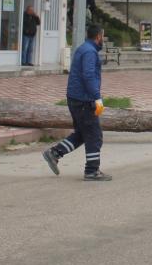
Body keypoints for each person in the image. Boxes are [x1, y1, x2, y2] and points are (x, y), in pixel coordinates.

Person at [42, 23, 111, 181]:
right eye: (103, 36)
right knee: (94, 135)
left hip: (75, 98)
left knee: (82, 133)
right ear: (99, 36)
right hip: (84, 101)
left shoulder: (83, 49)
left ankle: (54, 153)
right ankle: (92, 171)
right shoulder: (90, 52)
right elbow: (88, 76)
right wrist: (97, 98)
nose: (103, 40)